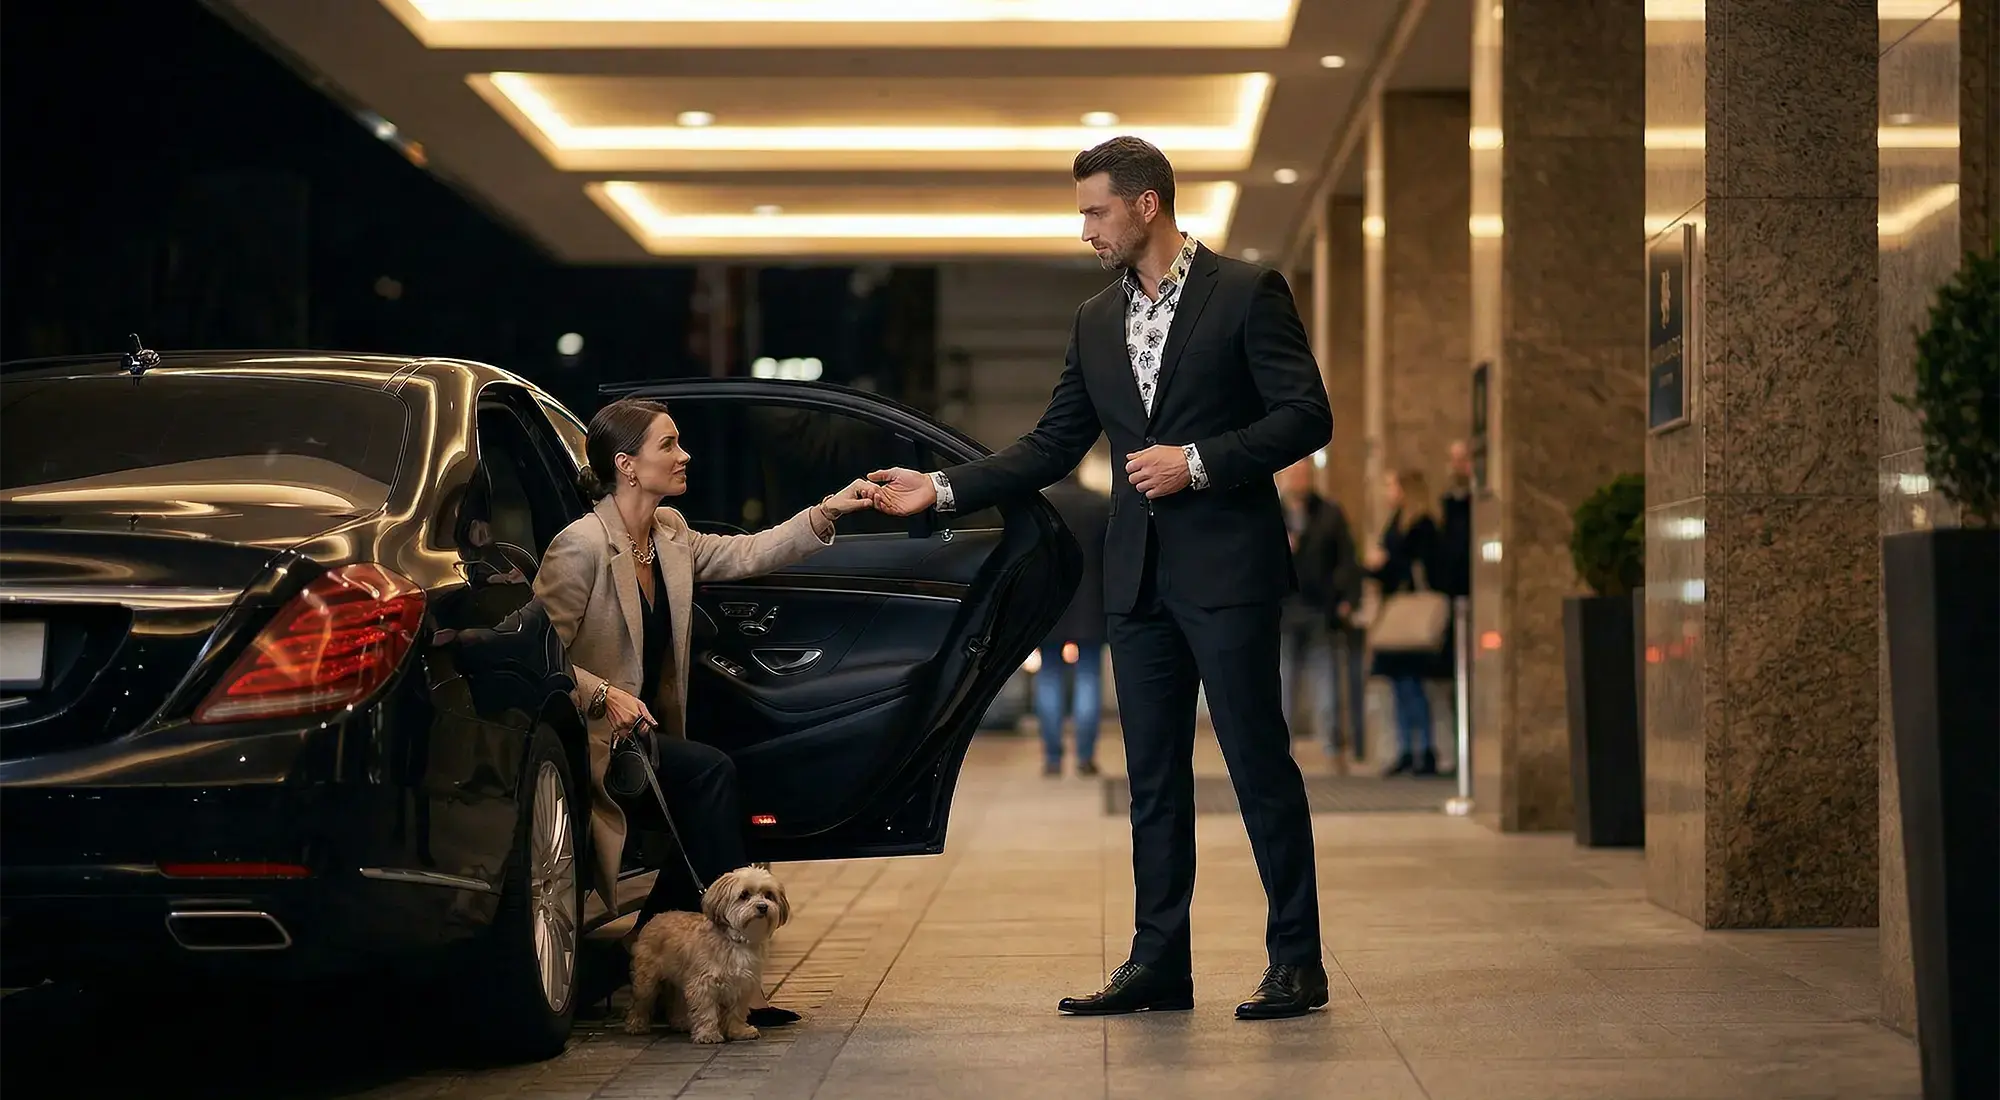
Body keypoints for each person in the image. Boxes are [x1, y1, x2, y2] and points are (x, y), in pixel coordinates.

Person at [867, 136, 1333, 1020]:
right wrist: (940, 486)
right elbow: (1051, 445)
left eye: (1094, 210)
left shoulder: (1244, 292)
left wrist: (1197, 462)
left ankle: (1298, 963)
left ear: (1146, 204)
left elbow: (1307, 414)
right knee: (1151, 776)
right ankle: (1160, 962)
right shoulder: (1094, 319)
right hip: (1140, 579)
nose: (1085, 228)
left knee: (1256, 764)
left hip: (1229, 569)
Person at [533, 397, 877, 1025]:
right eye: (668, 444)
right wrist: (606, 696)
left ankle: (669, 959)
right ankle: (714, 965)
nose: (684, 454)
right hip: (595, 743)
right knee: (711, 774)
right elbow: (542, 656)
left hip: (647, 742)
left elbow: (750, 553)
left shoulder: (669, 534)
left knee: (726, 778)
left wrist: (829, 510)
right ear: (627, 465)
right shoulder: (578, 547)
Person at [1275, 462, 1365, 764]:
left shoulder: (1329, 514)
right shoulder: (1272, 513)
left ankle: (1331, 745)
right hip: (1284, 609)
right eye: (1294, 474)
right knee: (1283, 682)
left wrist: (1347, 598)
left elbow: (1347, 558)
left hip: (1319, 609)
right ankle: (1281, 747)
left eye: (1304, 475)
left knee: (1326, 680)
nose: (1300, 480)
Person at [1363, 468, 1451, 776]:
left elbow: (1426, 565)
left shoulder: (1422, 525)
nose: (1388, 492)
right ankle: (1405, 749)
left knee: (1413, 687)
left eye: (1391, 485)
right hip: (1397, 614)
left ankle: (1424, 749)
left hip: (1412, 613)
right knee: (1400, 687)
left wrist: (1387, 562)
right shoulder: (1397, 521)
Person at [1036, 467, 1112, 777]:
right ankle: (1084, 756)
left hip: (1050, 606)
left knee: (1049, 676)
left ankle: (1053, 758)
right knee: (1088, 677)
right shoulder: (1099, 505)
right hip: (1090, 606)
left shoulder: (1041, 505)